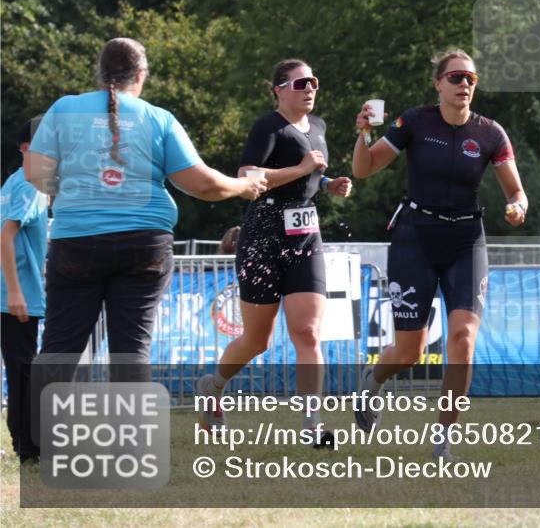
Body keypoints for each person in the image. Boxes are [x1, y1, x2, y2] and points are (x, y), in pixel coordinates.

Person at [27, 38, 266, 366]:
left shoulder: (63, 109)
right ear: (140, 74)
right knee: (131, 352)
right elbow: (202, 185)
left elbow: (35, 173)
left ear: (100, 73)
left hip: (76, 241)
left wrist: (73, 190)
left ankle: (46, 419)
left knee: (59, 350)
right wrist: (243, 185)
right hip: (144, 243)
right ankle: (130, 420)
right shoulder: (158, 118)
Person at [351, 48, 527, 460]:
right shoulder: (414, 121)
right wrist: (363, 134)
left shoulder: (490, 133)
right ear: (438, 84)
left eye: (471, 78)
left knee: (463, 341)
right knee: (409, 351)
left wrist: (519, 206)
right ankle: (373, 383)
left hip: (466, 241)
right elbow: (364, 169)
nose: (464, 84)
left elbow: (516, 191)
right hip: (415, 237)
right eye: (455, 77)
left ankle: (443, 437)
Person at [197, 59, 352, 436]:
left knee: (309, 332)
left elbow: (310, 170)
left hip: (305, 233)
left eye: (313, 82)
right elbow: (247, 176)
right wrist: (301, 170)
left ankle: (312, 425)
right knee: (258, 339)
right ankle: (213, 388)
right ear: (279, 89)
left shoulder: (318, 126)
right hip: (264, 234)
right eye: (300, 84)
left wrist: (327, 183)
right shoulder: (268, 126)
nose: (310, 89)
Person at [1, 116, 48, 464]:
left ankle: (26, 443)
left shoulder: (15, 182)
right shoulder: (31, 184)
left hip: (12, 291)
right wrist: (16, 292)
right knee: (24, 370)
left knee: (22, 369)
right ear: (29, 148)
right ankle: (29, 447)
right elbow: (5, 235)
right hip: (17, 294)